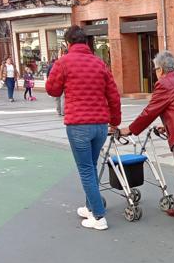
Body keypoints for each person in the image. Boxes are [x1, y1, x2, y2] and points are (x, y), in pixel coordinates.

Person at [120, 51, 174, 227]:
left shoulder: (164, 83)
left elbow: (150, 111)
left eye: (155, 69)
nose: (155, 72)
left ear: (160, 69)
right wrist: (168, 126)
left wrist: (130, 129)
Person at [46, 25, 121, 231]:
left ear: (68, 43)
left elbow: (52, 90)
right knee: (92, 165)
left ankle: (98, 216)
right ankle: (90, 207)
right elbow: (113, 96)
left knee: (86, 170)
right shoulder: (100, 64)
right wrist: (115, 121)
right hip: (99, 126)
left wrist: (56, 66)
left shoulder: (63, 63)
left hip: (78, 124)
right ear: (86, 42)